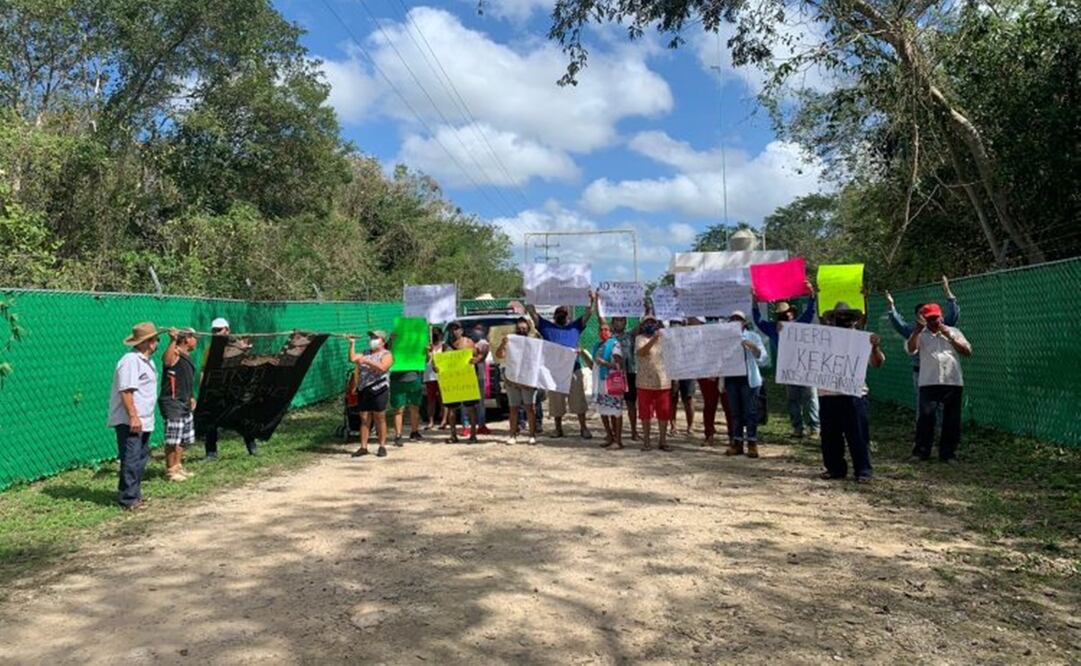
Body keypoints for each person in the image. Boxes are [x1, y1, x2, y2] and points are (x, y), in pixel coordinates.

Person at [818, 302, 885, 483]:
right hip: (828, 394)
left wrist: (875, 347)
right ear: (831, 321)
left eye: (847, 318)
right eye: (839, 317)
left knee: (858, 435)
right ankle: (834, 469)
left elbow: (877, 363)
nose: (843, 321)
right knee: (830, 436)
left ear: (854, 321)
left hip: (855, 395)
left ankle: (863, 470)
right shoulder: (821, 339)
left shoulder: (863, 340)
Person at [907, 302, 972, 462]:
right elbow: (910, 349)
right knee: (926, 417)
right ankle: (921, 452)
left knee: (951, 419)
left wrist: (950, 336)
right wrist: (916, 331)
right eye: (930, 320)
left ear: (941, 317)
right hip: (929, 381)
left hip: (952, 381)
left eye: (936, 318)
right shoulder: (921, 334)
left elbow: (967, 351)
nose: (934, 322)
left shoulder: (954, 331)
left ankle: (948, 453)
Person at [754, 281, 820, 438]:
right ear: (778, 316)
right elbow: (758, 321)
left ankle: (815, 428)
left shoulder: (800, 324)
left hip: (806, 366)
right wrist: (754, 302)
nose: (786, 316)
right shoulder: (774, 328)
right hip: (788, 369)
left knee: (810, 397)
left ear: (793, 313)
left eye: (788, 313)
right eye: (782, 315)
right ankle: (798, 428)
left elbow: (810, 312)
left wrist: (812, 294)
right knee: (793, 399)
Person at [107, 322, 160, 511]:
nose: (157, 343)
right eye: (155, 339)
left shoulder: (147, 361)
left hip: (144, 418)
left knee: (140, 457)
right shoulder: (130, 361)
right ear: (147, 342)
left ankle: (135, 494)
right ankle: (128, 498)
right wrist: (133, 416)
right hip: (131, 419)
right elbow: (127, 390)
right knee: (131, 458)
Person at [526, 295, 595, 440]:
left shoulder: (575, 327)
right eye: (559, 314)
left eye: (563, 314)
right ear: (554, 316)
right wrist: (528, 296)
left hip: (573, 370)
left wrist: (592, 300)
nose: (561, 316)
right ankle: (558, 429)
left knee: (578, 401)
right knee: (556, 402)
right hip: (554, 372)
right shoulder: (546, 327)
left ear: (568, 316)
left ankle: (583, 428)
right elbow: (532, 312)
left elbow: (589, 313)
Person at [886, 275, 960, 408]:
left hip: (942, 371)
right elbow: (898, 323)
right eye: (922, 313)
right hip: (921, 373)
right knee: (925, 406)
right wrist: (891, 306)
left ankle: (941, 428)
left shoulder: (942, 327)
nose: (926, 316)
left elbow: (953, 314)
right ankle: (925, 428)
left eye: (929, 313)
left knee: (943, 405)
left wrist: (947, 290)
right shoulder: (913, 330)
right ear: (916, 316)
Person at [202, 317, 260, 460]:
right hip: (216, 390)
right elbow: (205, 370)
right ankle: (211, 452)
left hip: (235, 389)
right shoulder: (209, 350)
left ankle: (252, 446)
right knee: (211, 421)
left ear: (227, 330)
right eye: (214, 330)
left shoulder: (239, 347)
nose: (216, 333)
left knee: (243, 417)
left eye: (219, 330)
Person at [724, 311, 770, 458]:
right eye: (733, 319)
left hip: (749, 380)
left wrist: (753, 347)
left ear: (744, 322)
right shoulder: (724, 339)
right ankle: (737, 443)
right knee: (736, 412)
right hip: (732, 379)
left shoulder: (753, 336)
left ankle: (752, 442)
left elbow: (763, 357)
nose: (736, 321)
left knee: (750, 412)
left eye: (739, 319)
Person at [159, 327, 198, 482]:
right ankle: (170, 470)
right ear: (187, 338)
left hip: (185, 402)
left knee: (182, 439)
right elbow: (167, 362)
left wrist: (192, 397)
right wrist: (172, 340)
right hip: (173, 402)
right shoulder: (174, 353)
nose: (196, 340)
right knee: (173, 439)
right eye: (195, 337)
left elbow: (187, 380)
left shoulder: (187, 357)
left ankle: (178, 466)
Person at [348, 330, 394, 458]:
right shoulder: (365, 352)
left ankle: (382, 446)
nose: (372, 339)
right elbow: (352, 358)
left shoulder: (387, 354)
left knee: (380, 417)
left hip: (380, 389)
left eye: (375, 337)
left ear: (382, 341)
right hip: (364, 389)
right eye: (372, 337)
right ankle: (363, 447)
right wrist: (352, 344)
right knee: (364, 418)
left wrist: (367, 361)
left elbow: (382, 368)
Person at [495, 317, 538, 445]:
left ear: (528, 329)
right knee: (513, 408)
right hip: (512, 380)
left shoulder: (533, 342)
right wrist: (503, 344)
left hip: (527, 380)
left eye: (524, 328)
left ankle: (532, 435)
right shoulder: (510, 341)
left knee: (530, 408)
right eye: (519, 329)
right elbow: (499, 355)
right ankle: (512, 435)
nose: (521, 330)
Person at [585, 321, 625, 450]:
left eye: (606, 329)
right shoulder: (597, 346)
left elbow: (618, 365)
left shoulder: (615, 345)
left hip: (612, 381)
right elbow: (593, 365)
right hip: (600, 382)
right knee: (603, 410)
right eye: (601, 330)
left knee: (616, 411)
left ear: (611, 332)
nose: (604, 332)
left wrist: (604, 363)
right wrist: (583, 354)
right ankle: (610, 436)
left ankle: (618, 440)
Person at [635, 316, 673, 452]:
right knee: (645, 414)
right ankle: (646, 441)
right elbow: (641, 352)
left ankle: (663, 441)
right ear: (642, 324)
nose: (650, 324)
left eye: (652, 322)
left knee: (663, 412)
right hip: (644, 382)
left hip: (663, 381)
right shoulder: (639, 338)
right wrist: (654, 339)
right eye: (647, 322)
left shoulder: (665, 338)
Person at [441, 321, 480, 444]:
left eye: (456, 329)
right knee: (452, 409)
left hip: (466, 379)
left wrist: (474, 359)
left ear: (461, 330)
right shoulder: (446, 346)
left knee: (471, 408)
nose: (454, 331)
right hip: (452, 380)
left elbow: (476, 355)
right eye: (452, 329)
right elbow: (441, 362)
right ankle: (453, 435)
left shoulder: (468, 342)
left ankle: (473, 435)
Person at [608, 316, 642, 441]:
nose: (619, 322)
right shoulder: (609, 338)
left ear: (625, 322)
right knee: (614, 405)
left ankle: (634, 431)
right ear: (612, 322)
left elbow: (640, 325)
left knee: (631, 404)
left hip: (630, 373)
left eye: (621, 320)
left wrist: (647, 309)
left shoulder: (630, 336)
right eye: (616, 320)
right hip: (614, 374)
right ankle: (614, 433)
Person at [388, 333, 424, 447]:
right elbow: (390, 359)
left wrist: (427, 351)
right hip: (398, 381)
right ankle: (398, 435)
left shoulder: (415, 349)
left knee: (415, 407)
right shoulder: (393, 349)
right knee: (399, 409)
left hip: (414, 380)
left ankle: (414, 431)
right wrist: (392, 343)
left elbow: (425, 360)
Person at [460, 324, 491, 436]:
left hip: (479, 375)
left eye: (480, 329)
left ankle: (481, 425)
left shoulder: (484, 343)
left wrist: (479, 355)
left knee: (480, 402)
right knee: (465, 403)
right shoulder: (463, 342)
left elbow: (483, 356)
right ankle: (466, 425)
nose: (477, 332)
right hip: (466, 375)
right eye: (475, 329)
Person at [666, 320, 696, 437]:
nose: (676, 327)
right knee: (672, 398)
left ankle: (690, 426)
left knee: (688, 399)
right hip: (672, 371)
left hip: (688, 370)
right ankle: (673, 426)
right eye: (673, 325)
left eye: (679, 325)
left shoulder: (690, 338)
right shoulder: (667, 340)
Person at [424, 329, 447, 430]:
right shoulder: (427, 346)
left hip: (442, 375)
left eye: (437, 335)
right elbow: (424, 361)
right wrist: (427, 352)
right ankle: (431, 421)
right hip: (430, 376)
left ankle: (444, 420)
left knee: (443, 399)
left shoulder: (445, 346)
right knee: (431, 400)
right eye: (433, 334)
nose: (435, 336)